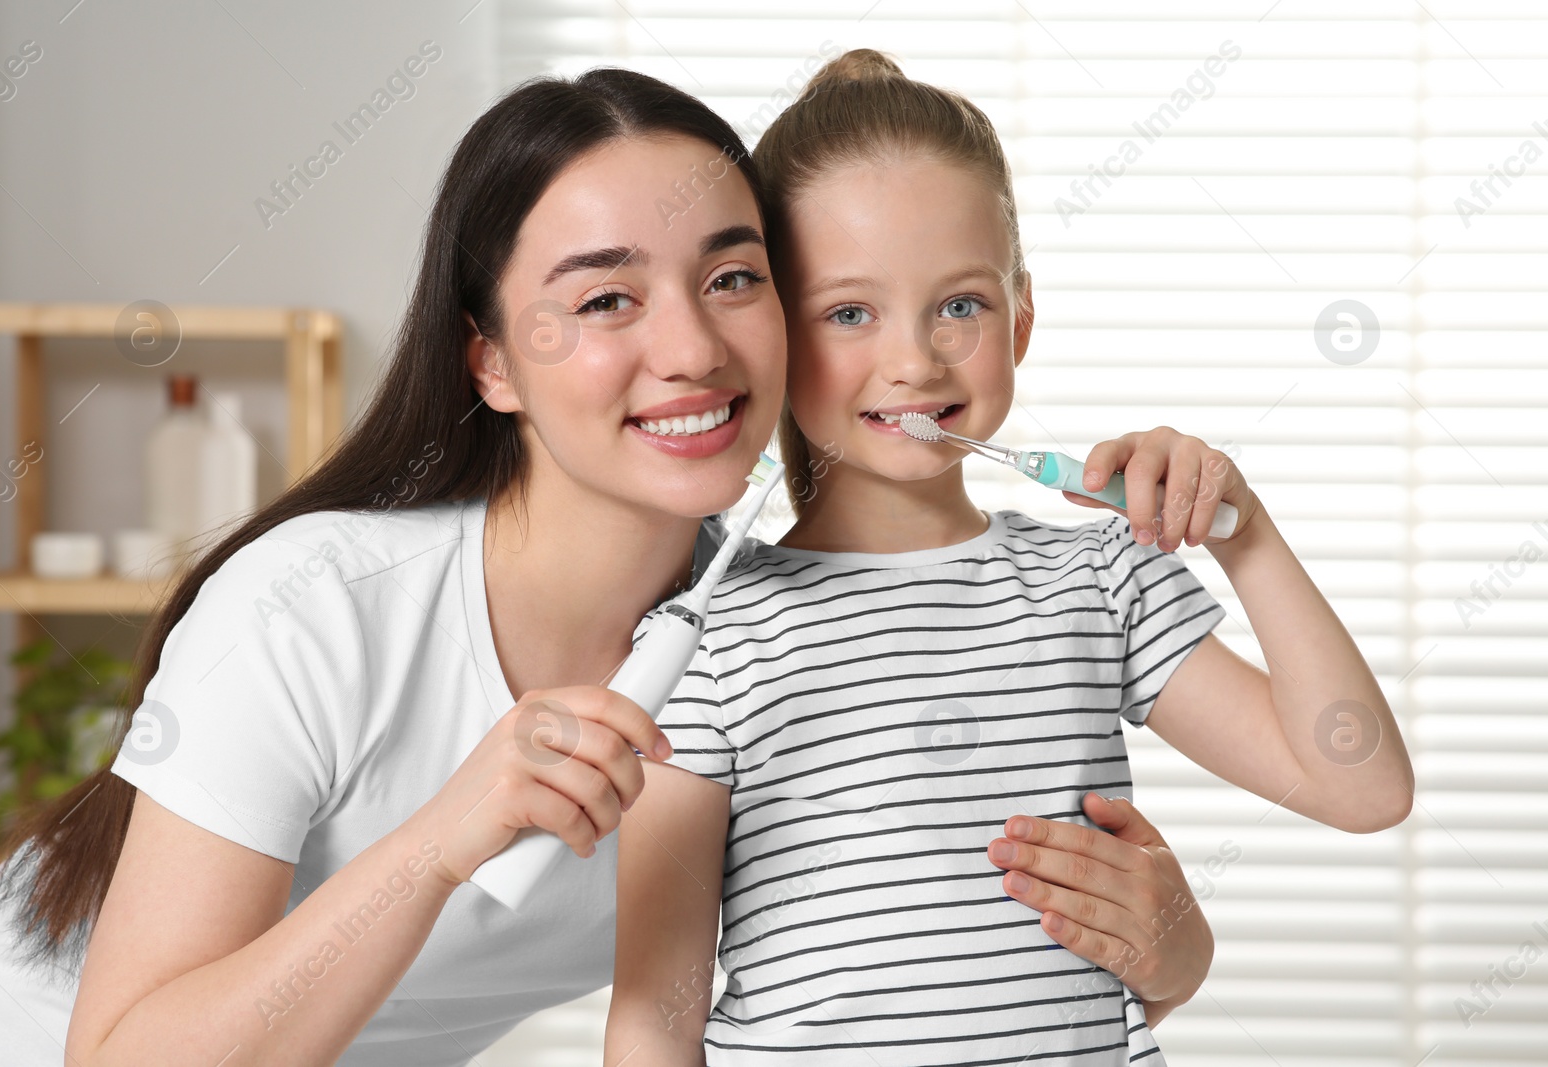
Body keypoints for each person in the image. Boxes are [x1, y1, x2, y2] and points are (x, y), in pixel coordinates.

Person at [0, 67, 1211, 1067]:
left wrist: (1169, 952)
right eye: (605, 299)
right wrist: (441, 838)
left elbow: (930, 980)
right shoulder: (312, 606)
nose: (691, 347)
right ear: (491, 361)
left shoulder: (768, 646)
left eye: (731, 276)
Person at [605, 50, 1414, 1066]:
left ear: (1019, 318)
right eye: (849, 312)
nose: (915, 359)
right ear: (772, 336)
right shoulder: (708, 638)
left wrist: (1241, 532)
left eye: (959, 305)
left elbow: (1361, 786)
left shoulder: (1100, 583)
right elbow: (653, 1017)